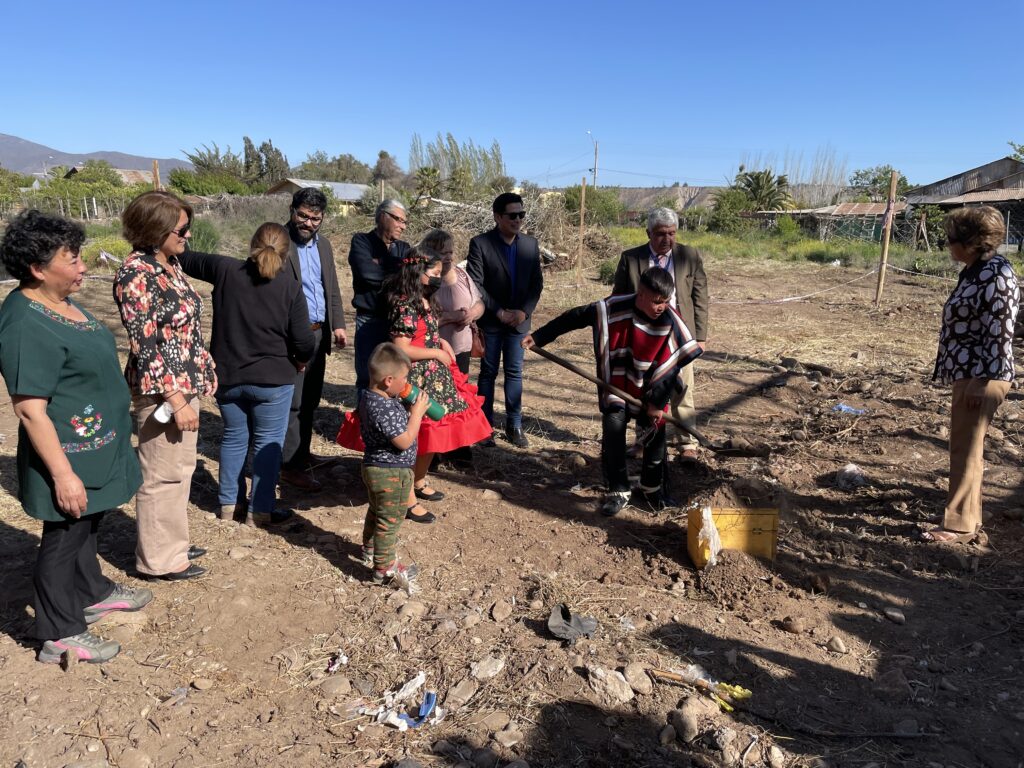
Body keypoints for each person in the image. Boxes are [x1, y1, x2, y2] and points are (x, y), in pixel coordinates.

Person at [0, 210, 150, 664]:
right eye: (73, 258)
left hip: (96, 444)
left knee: (90, 522)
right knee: (64, 535)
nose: (83, 266)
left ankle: (92, 591)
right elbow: (30, 409)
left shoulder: (60, 300)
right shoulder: (25, 322)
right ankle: (58, 629)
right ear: (37, 267)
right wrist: (63, 475)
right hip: (66, 453)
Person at [523, 267, 702, 517]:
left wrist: (656, 404)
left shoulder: (670, 321)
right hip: (617, 384)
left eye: (665, 301)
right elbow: (575, 317)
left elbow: (671, 369)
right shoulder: (613, 307)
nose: (662, 306)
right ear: (640, 294)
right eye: (656, 301)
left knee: (655, 437)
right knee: (613, 433)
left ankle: (652, 489)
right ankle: (618, 489)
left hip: (653, 389)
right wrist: (541, 336)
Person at [337, 246, 492, 520]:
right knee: (415, 435)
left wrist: (439, 341)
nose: (437, 278)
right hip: (413, 377)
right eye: (433, 273)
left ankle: (419, 480)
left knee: (432, 431)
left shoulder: (425, 299)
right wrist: (435, 352)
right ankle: (407, 499)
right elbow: (402, 347)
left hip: (434, 375)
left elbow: (427, 332)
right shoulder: (405, 303)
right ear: (417, 272)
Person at [179, 223, 316, 527]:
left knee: (233, 438)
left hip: (227, 377)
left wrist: (182, 229)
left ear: (251, 244)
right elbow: (304, 341)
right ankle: (261, 510)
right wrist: (300, 359)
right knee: (268, 443)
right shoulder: (290, 286)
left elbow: (185, 259)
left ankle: (229, 505)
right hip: (274, 380)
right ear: (286, 252)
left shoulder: (225, 269)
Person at [115, 191, 215, 581]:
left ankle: (173, 542)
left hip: (183, 382)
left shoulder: (169, 264)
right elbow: (146, 343)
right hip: (162, 390)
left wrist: (202, 362)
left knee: (180, 467)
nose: (188, 236)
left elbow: (182, 327)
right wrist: (175, 398)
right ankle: (158, 559)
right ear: (155, 229)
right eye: (182, 229)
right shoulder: (136, 275)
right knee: (161, 473)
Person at [924, 206, 1019, 543]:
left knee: (965, 448)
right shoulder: (976, 271)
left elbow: (999, 332)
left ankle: (958, 526)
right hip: (971, 371)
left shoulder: (996, 275)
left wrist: (981, 381)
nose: (948, 246)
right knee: (968, 446)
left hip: (984, 375)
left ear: (971, 243)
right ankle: (970, 516)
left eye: (952, 240)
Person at [612, 207, 708, 460]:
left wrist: (701, 336)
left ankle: (687, 442)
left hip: (680, 333)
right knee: (644, 391)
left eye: (672, 233)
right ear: (648, 233)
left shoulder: (690, 256)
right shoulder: (631, 259)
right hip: (644, 334)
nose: (666, 239)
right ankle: (644, 441)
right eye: (660, 234)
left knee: (683, 387)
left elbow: (700, 297)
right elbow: (618, 297)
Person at [279, 188, 348, 492]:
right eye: (302, 215)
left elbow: (330, 287)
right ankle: (288, 466)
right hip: (292, 334)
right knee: (292, 403)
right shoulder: (277, 241)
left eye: (315, 219)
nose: (307, 223)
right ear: (292, 210)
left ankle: (302, 454)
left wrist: (339, 325)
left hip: (319, 333)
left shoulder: (325, 245)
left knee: (310, 400)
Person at [467, 192, 544, 448]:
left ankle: (515, 426)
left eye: (521, 214)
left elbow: (536, 284)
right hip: (491, 320)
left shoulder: (530, 245)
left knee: (514, 372)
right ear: (497, 216)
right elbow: (475, 283)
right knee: (488, 373)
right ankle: (484, 427)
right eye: (512, 215)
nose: (518, 220)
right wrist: (498, 311)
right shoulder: (480, 244)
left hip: (519, 322)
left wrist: (524, 312)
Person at [358, 343, 429, 584]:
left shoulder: (370, 397)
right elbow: (404, 441)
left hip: (373, 467)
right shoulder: (384, 407)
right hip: (391, 473)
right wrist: (417, 414)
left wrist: (406, 407)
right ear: (389, 380)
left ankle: (369, 548)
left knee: (376, 510)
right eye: (404, 378)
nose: (407, 382)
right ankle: (384, 567)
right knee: (390, 520)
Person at [424, 228, 484, 468]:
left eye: (450, 252)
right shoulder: (428, 280)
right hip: (435, 350)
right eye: (442, 252)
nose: (448, 257)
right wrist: (449, 317)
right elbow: (421, 321)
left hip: (462, 347)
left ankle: (459, 447)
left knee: (460, 397)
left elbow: (479, 302)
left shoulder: (461, 274)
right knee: (437, 399)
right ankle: (434, 450)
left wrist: (472, 313)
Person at [349, 200, 410, 396]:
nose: (402, 226)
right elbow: (367, 274)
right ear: (383, 216)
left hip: (397, 323)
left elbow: (409, 280)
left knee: (395, 379)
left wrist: (384, 271)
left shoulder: (404, 248)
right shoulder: (361, 241)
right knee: (368, 377)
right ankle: (364, 422)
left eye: (405, 222)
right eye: (399, 220)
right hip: (369, 320)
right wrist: (397, 274)